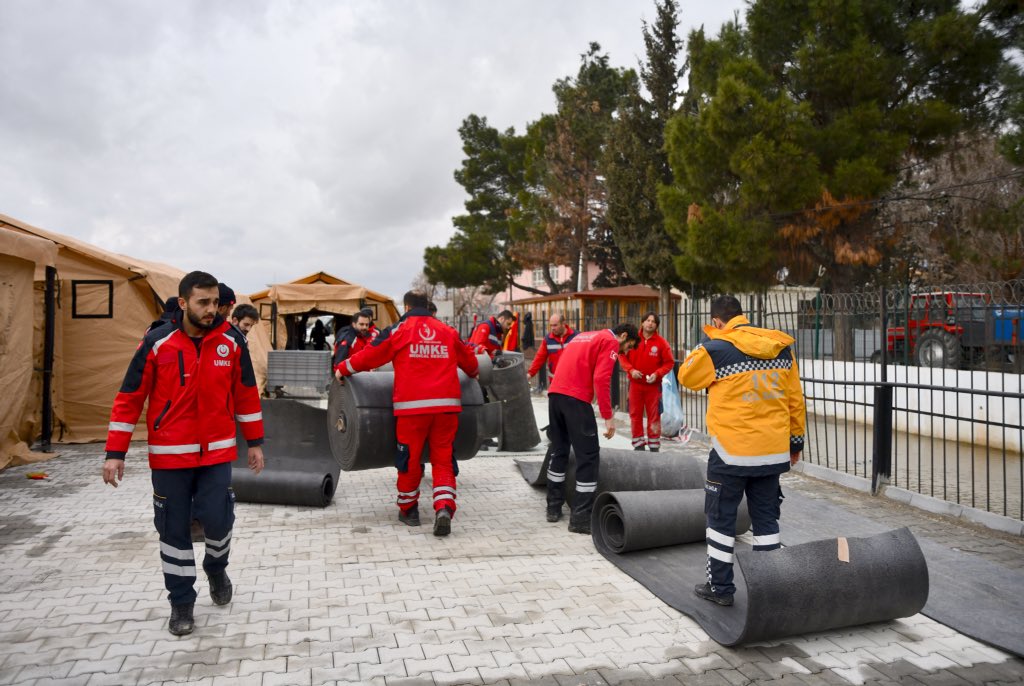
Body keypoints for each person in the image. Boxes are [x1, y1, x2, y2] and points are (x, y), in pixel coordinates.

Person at [102, 270, 265, 636]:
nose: (211, 310)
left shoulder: (231, 341)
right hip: (169, 456)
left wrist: (255, 443)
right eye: (203, 302)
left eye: (215, 302)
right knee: (173, 531)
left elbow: (246, 394)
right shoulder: (157, 341)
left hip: (216, 454)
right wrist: (115, 452)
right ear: (183, 303)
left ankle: (216, 568)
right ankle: (181, 603)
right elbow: (129, 398)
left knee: (219, 520)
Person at [678, 295, 805, 607]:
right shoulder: (779, 346)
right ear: (743, 315)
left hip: (731, 454)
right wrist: (795, 443)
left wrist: (708, 341)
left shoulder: (716, 349)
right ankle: (769, 590)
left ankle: (720, 588)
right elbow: (795, 400)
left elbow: (686, 377)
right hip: (772, 453)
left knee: (720, 519)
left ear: (717, 321)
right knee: (766, 520)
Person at [335, 291, 479, 537]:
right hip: (446, 409)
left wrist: (343, 368)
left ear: (407, 307)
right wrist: (472, 371)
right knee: (443, 459)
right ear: (427, 307)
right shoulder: (447, 331)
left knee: (409, 460)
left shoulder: (399, 330)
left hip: (412, 410)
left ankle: (409, 510)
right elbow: (471, 365)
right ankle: (444, 507)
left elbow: (371, 356)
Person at [545, 323, 640, 533]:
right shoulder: (611, 341)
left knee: (559, 451)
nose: (625, 352)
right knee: (588, 456)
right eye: (628, 346)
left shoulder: (583, 336)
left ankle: (553, 507)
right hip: (576, 400)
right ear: (623, 335)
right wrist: (608, 416)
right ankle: (580, 518)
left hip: (555, 396)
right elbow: (601, 378)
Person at [618, 312, 675, 452]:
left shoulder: (661, 343)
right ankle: (638, 444)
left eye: (653, 321)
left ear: (657, 325)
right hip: (635, 385)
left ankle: (654, 445)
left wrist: (657, 374)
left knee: (654, 416)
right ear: (642, 322)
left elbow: (669, 363)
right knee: (635, 415)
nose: (650, 323)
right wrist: (631, 370)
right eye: (648, 320)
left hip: (653, 387)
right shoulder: (633, 340)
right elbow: (621, 355)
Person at [527, 313, 577, 386]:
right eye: (551, 325)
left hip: (573, 382)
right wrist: (530, 374)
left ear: (563, 324)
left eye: (555, 325)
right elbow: (539, 358)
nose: (552, 328)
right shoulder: (548, 339)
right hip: (555, 382)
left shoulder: (576, 337)